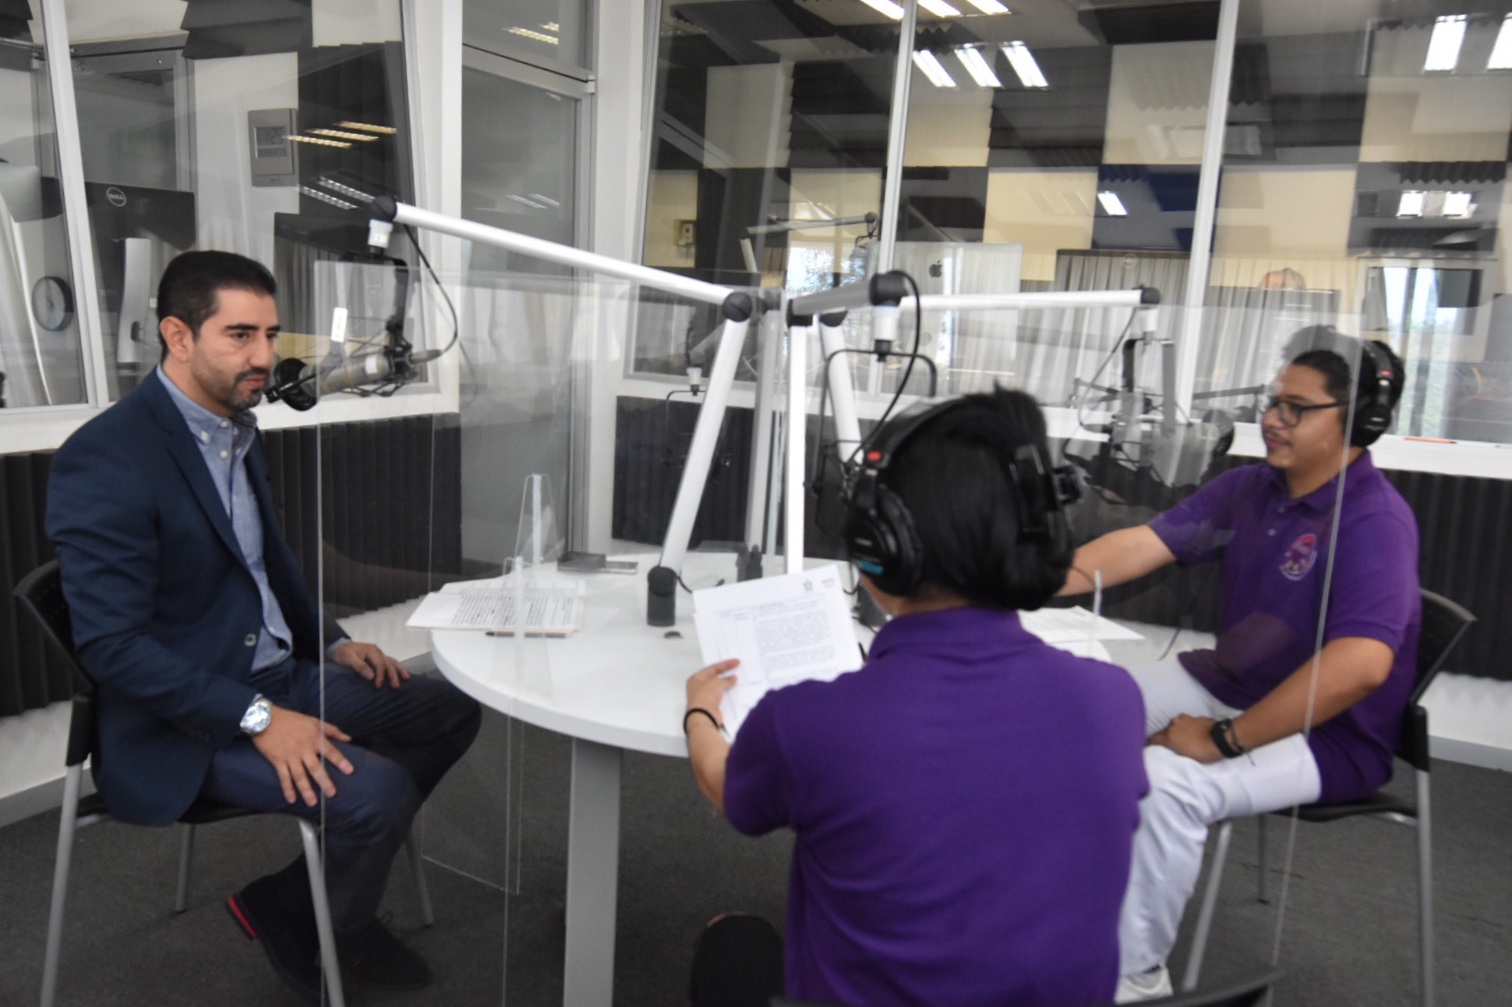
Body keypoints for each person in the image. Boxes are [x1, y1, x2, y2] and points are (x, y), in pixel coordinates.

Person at [45, 250, 482, 1001]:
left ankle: (295, 904)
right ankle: (335, 919)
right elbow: (113, 649)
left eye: (271, 335)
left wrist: (336, 643)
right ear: (178, 336)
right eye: (240, 335)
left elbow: (265, 569)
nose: (264, 357)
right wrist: (257, 717)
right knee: (375, 795)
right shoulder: (107, 459)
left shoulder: (235, 429)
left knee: (448, 710)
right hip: (182, 723)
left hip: (278, 675)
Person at [683, 389, 1149, 1007]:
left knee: (733, 944)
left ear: (880, 546)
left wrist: (700, 712)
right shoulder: (1115, 700)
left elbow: (727, 789)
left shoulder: (810, 723)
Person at [1061, 329, 1421, 1000]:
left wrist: (1224, 740)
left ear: (1358, 424)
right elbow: (1144, 544)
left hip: (1328, 734)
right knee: (1079, 708)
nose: (1273, 420)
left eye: (1296, 408)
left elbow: (1363, 665)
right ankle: (1067, 906)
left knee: (1166, 782)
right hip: (1227, 682)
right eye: (1273, 401)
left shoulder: (1376, 521)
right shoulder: (1251, 487)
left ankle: (1135, 978)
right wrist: (1028, 579)